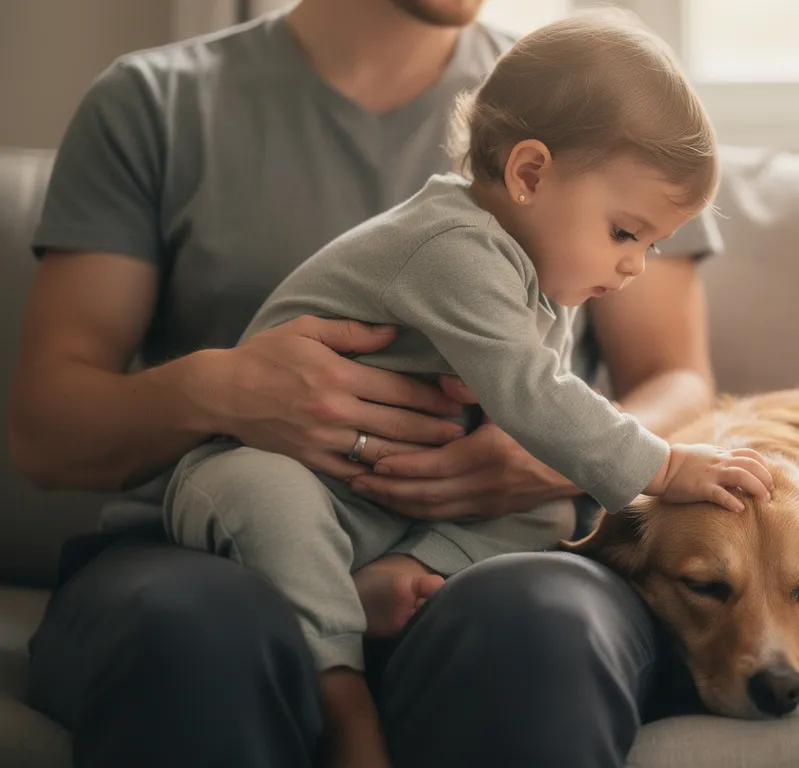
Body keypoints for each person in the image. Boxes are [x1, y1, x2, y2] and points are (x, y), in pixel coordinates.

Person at [11, 1, 725, 766]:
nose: (634, 261)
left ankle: (396, 584)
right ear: (526, 172)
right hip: (214, 545)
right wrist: (225, 389)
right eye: (628, 237)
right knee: (198, 628)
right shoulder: (155, 101)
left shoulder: (609, 105)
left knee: (540, 624)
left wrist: (542, 457)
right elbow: (44, 433)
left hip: (487, 540)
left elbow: (677, 382)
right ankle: (337, 682)